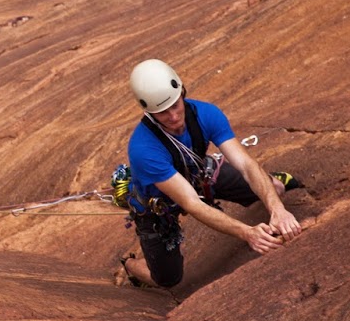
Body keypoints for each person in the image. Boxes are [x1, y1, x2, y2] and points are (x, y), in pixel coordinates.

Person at [119, 59, 303, 288]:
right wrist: (248, 233)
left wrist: (278, 209)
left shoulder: (206, 114)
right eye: (163, 113)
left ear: (182, 92)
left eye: (175, 105)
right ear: (148, 112)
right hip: (159, 204)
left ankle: (270, 183)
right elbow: (191, 203)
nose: (174, 117)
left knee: (275, 188)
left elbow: (245, 164)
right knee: (167, 279)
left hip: (197, 175)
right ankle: (130, 265)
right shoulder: (143, 149)